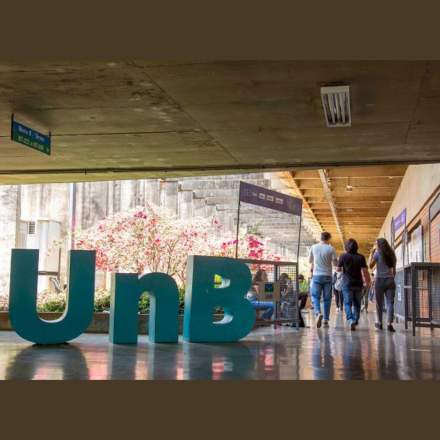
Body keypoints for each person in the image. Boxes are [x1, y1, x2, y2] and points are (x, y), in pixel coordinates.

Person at [336, 238, 371, 331]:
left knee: (347, 303)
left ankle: (350, 319)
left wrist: (344, 268)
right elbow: (365, 271)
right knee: (357, 303)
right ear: (356, 247)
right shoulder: (361, 257)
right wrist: (368, 283)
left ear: (347, 247)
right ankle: (355, 321)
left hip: (347, 284)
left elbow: (337, 269)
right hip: (358, 284)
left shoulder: (343, 256)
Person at [309, 232, 338, 328]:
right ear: (329, 239)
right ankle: (325, 320)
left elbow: (310, 261)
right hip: (327, 276)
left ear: (320, 238)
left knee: (315, 296)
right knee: (327, 298)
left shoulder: (313, 247)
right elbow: (335, 263)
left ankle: (318, 313)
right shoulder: (331, 248)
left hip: (317, 275)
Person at [369, 238, 397, 332]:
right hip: (390, 280)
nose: (376, 246)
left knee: (379, 303)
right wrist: (391, 278)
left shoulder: (377, 253)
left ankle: (380, 323)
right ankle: (389, 324)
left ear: (379, 245)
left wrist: (372, 254)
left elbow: (370, 266)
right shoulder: (391, 254)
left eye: (376, 244)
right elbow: (394, 270)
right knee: (390, 302)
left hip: (379, 280)